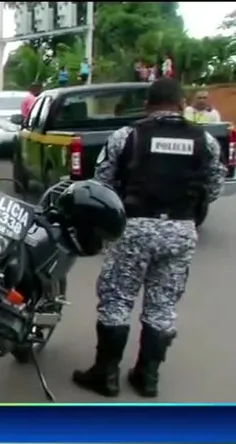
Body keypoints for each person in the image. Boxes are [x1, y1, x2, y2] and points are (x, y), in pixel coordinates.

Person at [72, 78, 226, 399]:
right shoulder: (205, 141)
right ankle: (147, 377)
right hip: (181, 230)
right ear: (182, 105)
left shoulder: (127, 137)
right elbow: (213, 187)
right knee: (162, 305)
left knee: (117, 300)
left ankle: (107, 375)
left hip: (133, 227)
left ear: (147, 106)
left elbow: (103, 184)